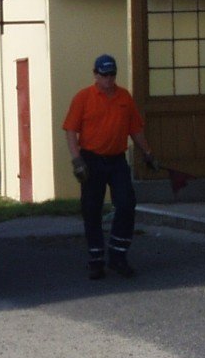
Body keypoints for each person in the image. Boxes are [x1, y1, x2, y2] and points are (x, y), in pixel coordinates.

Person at [63, 54, 160, 281]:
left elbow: (135, 129)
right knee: (91, 209)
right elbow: (70, 130)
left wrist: (148, 153)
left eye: (112, 74)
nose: (108, 79)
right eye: (104, 74)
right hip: (91, 159)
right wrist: (77, 160)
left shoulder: (124, 97)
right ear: (95, 75)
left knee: (126, 204)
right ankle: (96, 259)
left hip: (117, 160)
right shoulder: (84, 97)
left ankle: (118, 255)